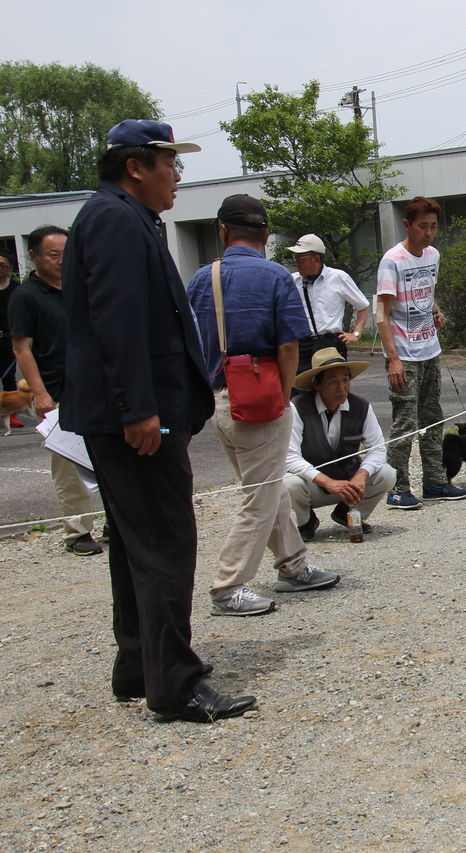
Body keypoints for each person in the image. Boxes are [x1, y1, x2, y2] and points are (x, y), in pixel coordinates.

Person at [60, 118, 254, 722]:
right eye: (169, 162)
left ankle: (140, 665)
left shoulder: (119, 216)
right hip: (137, 419)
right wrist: (138, 408)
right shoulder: (115, 220)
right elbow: (118, 321)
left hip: (129, 413)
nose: (177, 175)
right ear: (135, 166)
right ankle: (174, 684)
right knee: (166, 542)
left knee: (135, 544)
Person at [187, 194, 340, 617]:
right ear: (266, 235)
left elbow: (191, 342)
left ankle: (294, 565)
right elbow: (289, 345)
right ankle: (228, 586)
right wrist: (284, 395)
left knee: (268, 489)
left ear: (223, 231)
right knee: (260, 497)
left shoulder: (201, 279)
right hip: (262, 400)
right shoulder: (275, 277)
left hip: (220, 398)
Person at [9, 225, 104, 555]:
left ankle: (116, 521)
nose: (62, 260)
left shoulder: (82, 287)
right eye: (54, 255)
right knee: (69, 464)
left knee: (110, 457)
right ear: (34, 256)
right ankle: (78, 531)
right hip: (58, 390)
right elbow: (21, 348)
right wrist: (40, 393)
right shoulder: (26, 296)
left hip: (96, 386)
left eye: (67, 253)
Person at [375, 195, 466, 509]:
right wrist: (393, 359)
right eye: (422, 226)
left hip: (429, 348)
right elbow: (381, 314)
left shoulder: (433, 255)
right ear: (407, 225)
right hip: (404, 353)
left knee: (433, 417)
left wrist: (436, 312)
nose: (428, 233)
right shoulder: (392, 260)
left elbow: (427, 295)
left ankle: (435, 481)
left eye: (433, 227)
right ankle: (397, 487)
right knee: (405, 422)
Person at [284, 347, 395, 540]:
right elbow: (290, 456)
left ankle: (348, 513)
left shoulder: (361, 407)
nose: (341, 387)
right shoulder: (298, 407)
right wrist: (327, 482)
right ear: (317, 384)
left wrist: (361, 475)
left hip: (349, 482)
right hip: (313, 485)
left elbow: (377, 449)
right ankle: (306, 521)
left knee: (387, 474)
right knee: (288, 483)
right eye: (333, 381)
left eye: (345, 380)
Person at [285, 233, 370, 369]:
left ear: (316, 259)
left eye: (301, 258)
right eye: (295, 258)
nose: (297, 263)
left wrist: (356, 334)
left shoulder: (337, 277)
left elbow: (363, 306)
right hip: (303, 344)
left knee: (333, 381)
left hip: (330, 342)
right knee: (302, 381)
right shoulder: (292, 281)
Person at [0, 256, 21, 422]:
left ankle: (11, 414)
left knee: (8, 377)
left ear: (10, 267)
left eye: (2, 264)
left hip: (9, 339)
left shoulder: (17, 289)